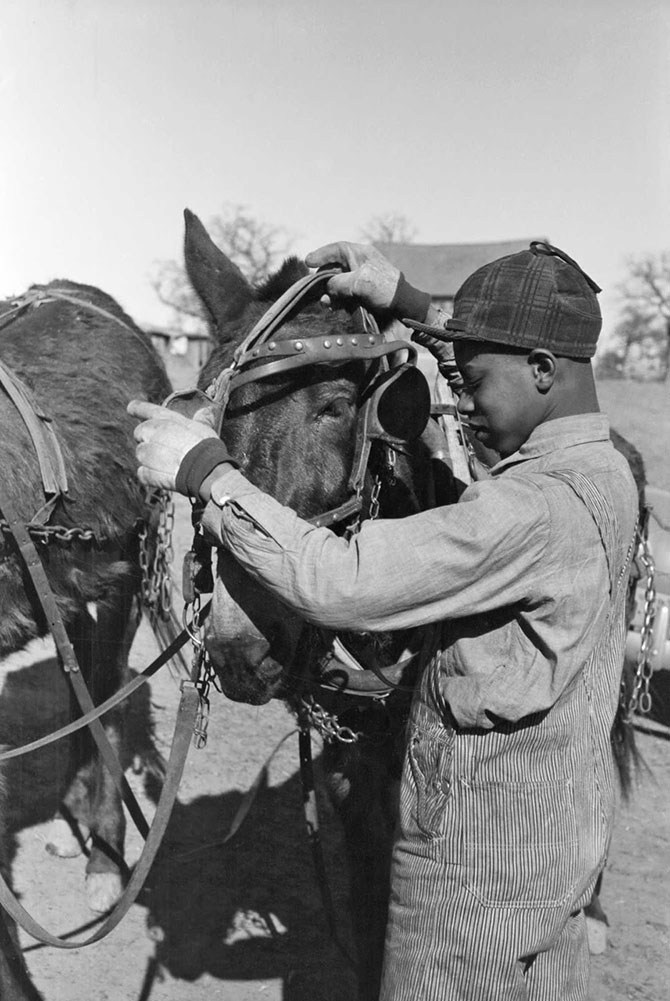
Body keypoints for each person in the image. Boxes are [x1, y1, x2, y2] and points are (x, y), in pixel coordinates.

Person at [128, 240, 638, 1001]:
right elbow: (494, 351)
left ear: (541, 370)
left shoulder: (529, 509)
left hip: (471, 890)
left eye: (473, 382)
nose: (458, 401)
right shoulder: (601, 472)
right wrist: (399, 296)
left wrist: (206, 471)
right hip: (546, 859)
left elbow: (340, 580)